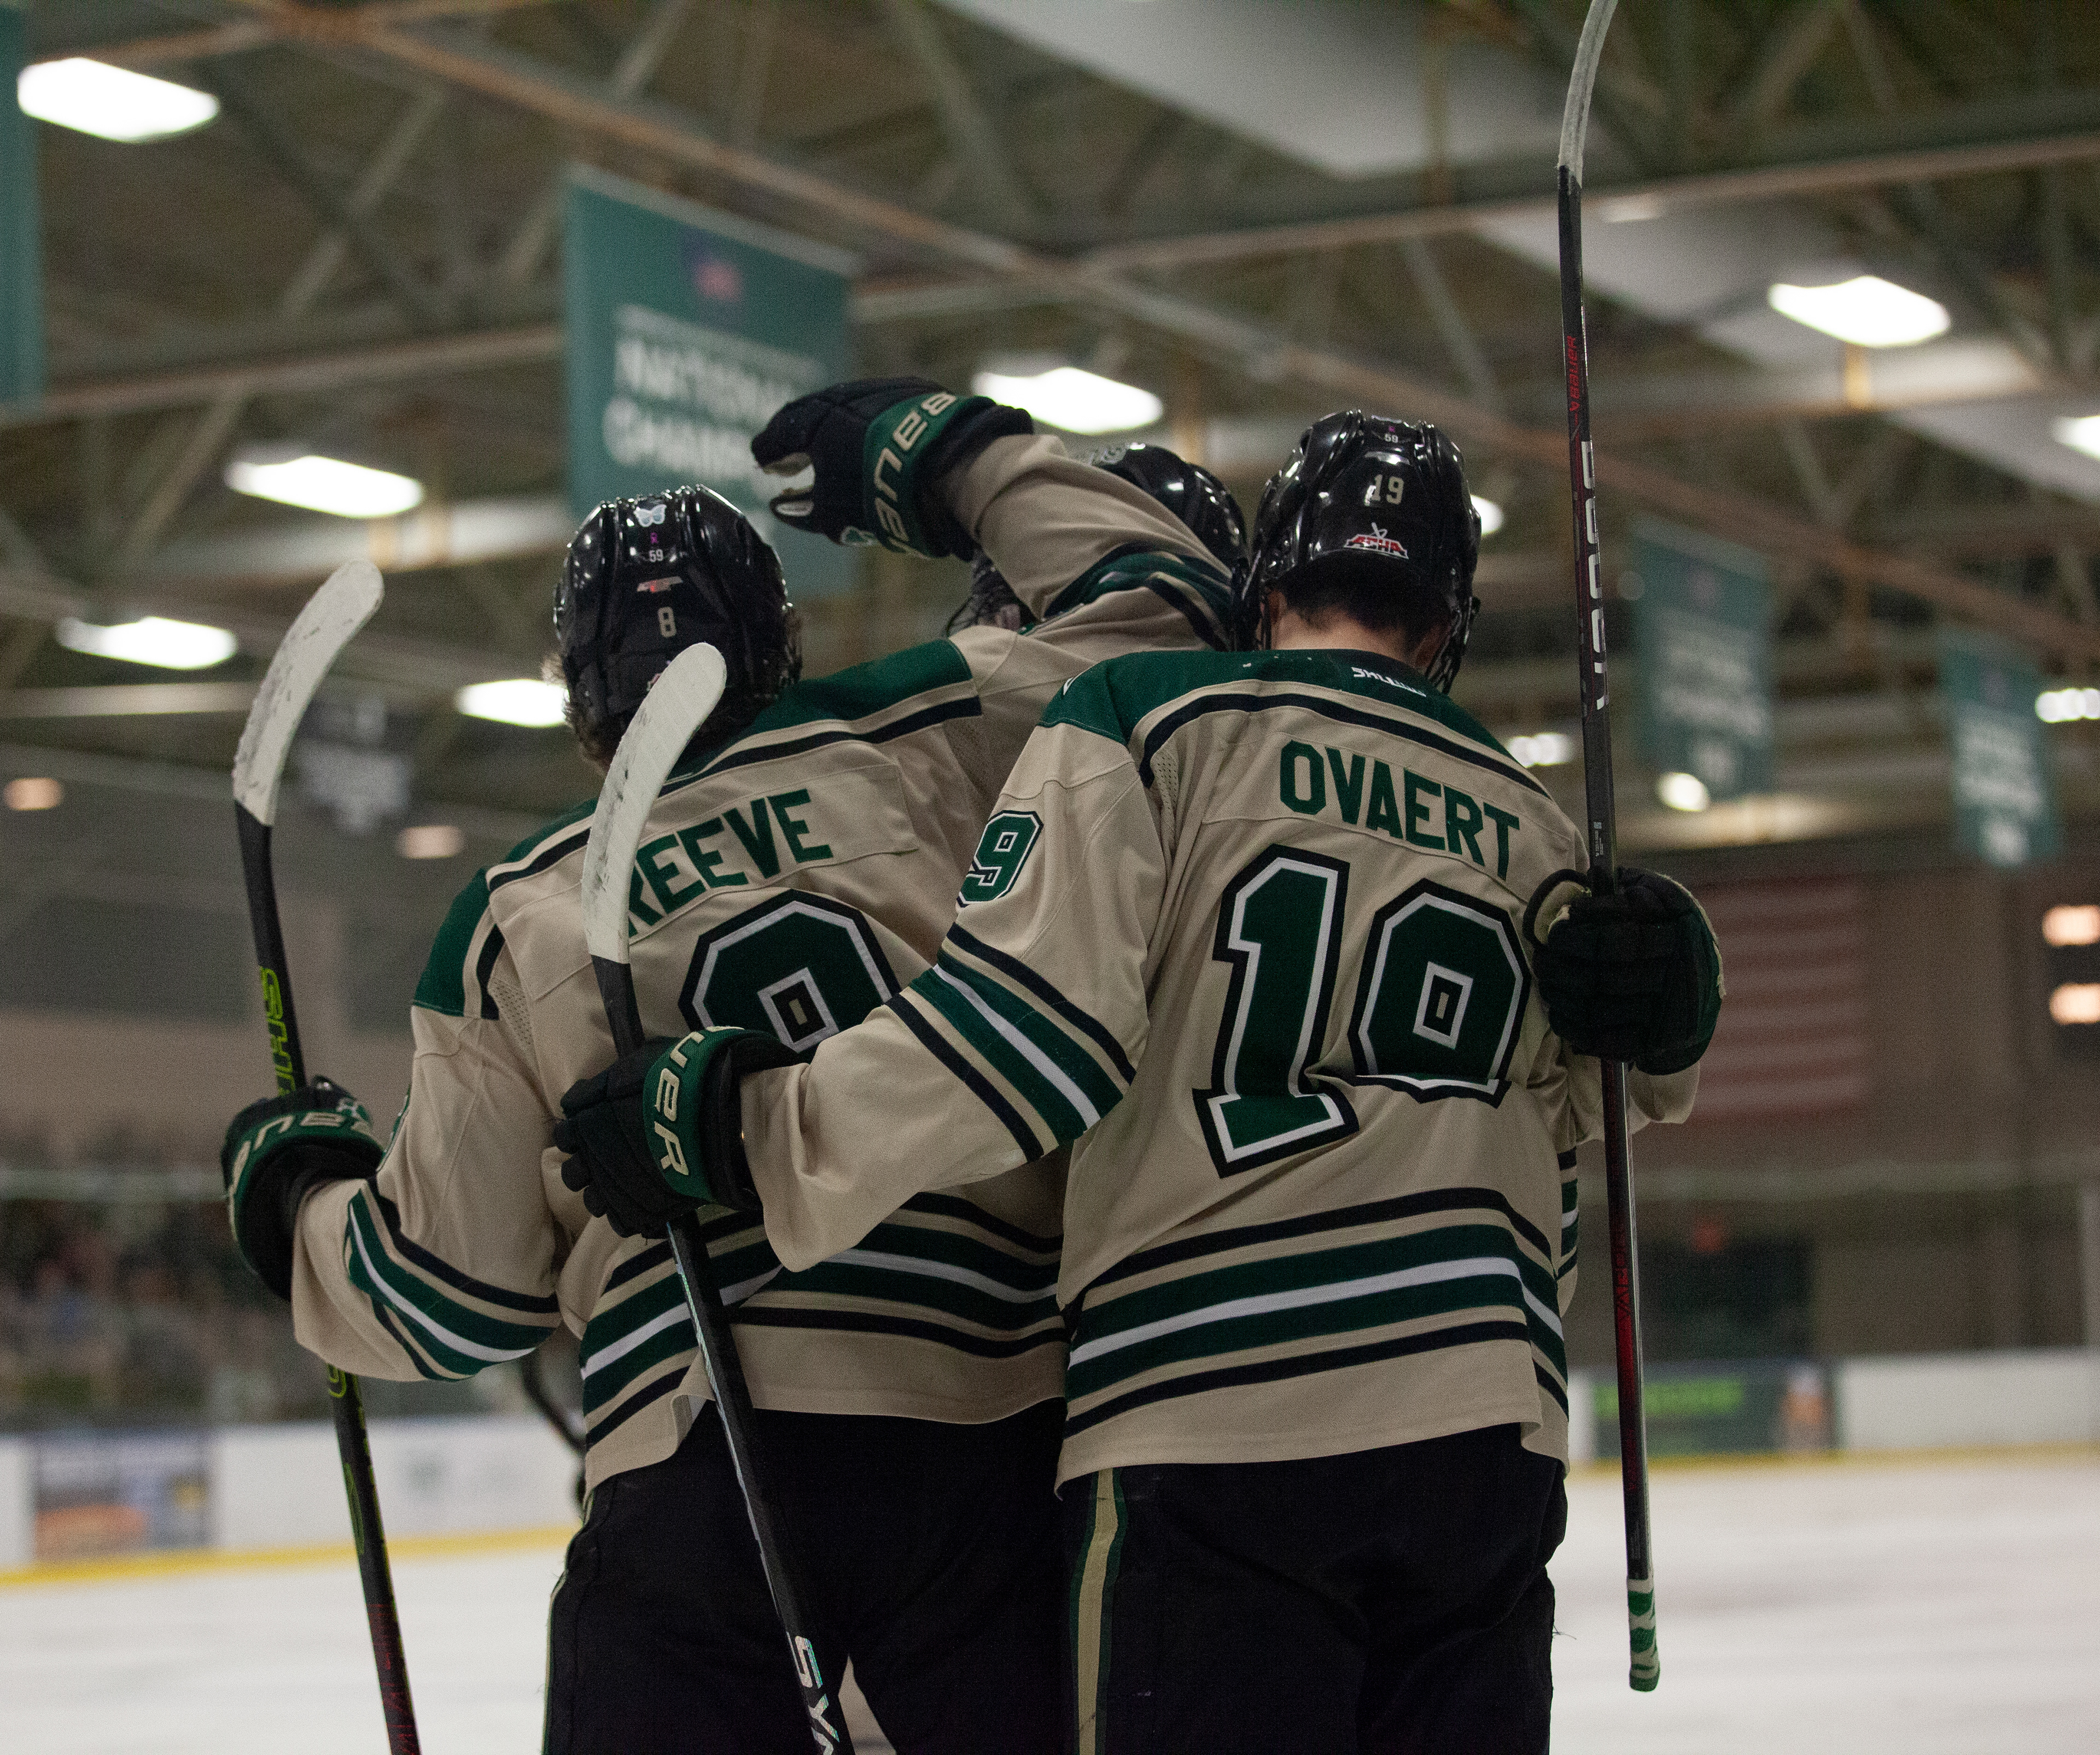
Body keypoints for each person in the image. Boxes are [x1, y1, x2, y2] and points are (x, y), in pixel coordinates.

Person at [559, 412, 1724, 1754]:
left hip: (1216, 1411)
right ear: (1448, 619)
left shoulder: (1147, 721)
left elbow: (1024, 1041)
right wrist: (1675, 1016)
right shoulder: (1531, 818)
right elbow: (1583, 1105)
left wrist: (745, 1124)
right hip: (1485, 1424)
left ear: (1263, 591)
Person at [217, 379, 1242, 1755]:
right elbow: (1182, 620)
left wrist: (299, 1196)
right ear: (780, 642)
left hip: (688, 1475)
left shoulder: (516, 908)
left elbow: (446, 1299)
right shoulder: (933, 725)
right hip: (984, 1446)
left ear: (576, 688)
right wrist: (953, 456)